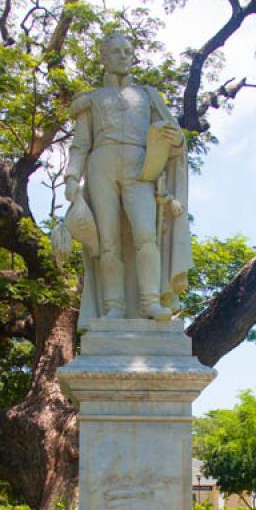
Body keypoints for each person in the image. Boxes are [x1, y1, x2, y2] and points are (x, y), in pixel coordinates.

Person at [63, 32, 191, 327]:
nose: (124, 55)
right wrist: (72, 176)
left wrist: (179, 140)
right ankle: (114, 307)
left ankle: (150, 301)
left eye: (128, 50)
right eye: (117, 51)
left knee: (146, 235)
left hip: (140, 167)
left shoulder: (148, 96)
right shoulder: (90, 100)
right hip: (101, 165)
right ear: (104, 57)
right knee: (108, 241)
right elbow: (81, 144)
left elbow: (173, 138)